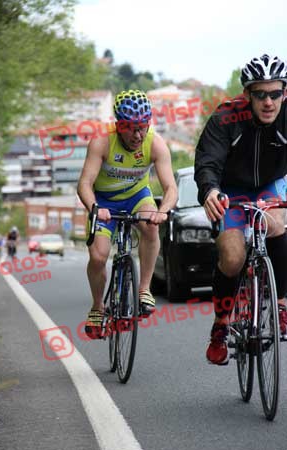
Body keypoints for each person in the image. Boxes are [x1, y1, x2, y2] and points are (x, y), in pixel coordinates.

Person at [194, 54, 287, 365]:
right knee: (232, 257)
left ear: (284, 92)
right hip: (231, 190)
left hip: (271, 185)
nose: (269, 102)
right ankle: (221, 325)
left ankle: (282, 303)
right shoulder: (226, 118)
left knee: (275, 224)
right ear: (247, 95)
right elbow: (208, 162)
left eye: (275, 93)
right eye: (260, 94)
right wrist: (210, 191)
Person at [77, 89, 178, 338]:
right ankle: (98, 307)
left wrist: (163, 212)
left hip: (136, 196)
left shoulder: (155, 143)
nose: (137, 134)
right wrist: (94, 208)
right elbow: (84, 184)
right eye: (131, 128)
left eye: (143, 127)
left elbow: (170, 188)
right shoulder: (102, 141)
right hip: (104, 202)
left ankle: (144, 289)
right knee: (99, 257)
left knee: (151, 226)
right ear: (118, 124)